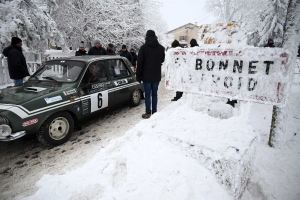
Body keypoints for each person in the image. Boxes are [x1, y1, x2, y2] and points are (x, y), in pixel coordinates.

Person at [136, 30, 165, 119]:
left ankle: (148, 112)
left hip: (146, 75)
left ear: (146, 36)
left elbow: (140, 62)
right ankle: (155, 112)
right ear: (155, 36)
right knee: (155, 94)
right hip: (156, 75)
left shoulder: (143, 48)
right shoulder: (161, 48)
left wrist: (138, 75)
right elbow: (162, 60)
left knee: (147, 94)